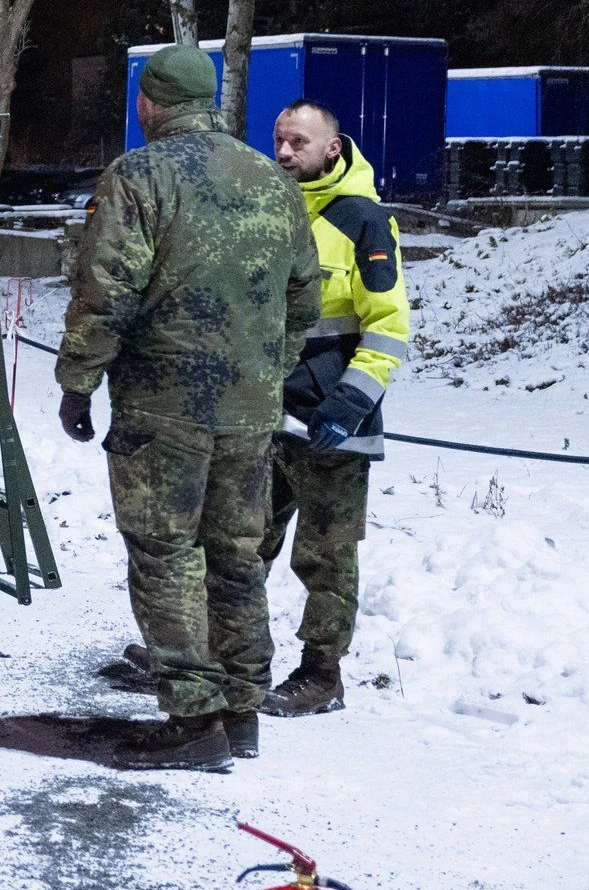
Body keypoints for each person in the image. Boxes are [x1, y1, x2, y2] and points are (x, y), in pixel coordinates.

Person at [57, 42, 323, 772]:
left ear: (151, 103)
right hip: (250, 407)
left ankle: (193, 717)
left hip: (162, 407)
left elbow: (106, 290)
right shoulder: (272, 181)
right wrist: (268, 366)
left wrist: (78, 380)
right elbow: (306, 295)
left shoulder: (138, 177)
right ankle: (242, 712)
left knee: (166, 552)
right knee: (237, 557)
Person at [260, 99, 411, 718]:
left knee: (324, 556)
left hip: (332, 426)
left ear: (332, 147)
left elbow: (389, 325)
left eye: (299, 142)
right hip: (265, 418)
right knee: (237, 543)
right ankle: (222, 661)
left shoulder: (364, 221)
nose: (286, 152)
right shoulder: (266, 211)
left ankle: (323, 675)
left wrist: (349, 402)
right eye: (279, 141)